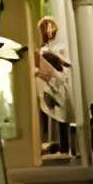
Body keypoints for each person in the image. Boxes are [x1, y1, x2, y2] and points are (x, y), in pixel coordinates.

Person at [33, 15, 77, 156]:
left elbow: (68, 63)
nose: (49, 32)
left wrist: (56, 56)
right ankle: (50, 143)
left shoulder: (60, 47)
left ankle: (66, 147)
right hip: (46, 84)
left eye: (51, 29)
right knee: (46, 114)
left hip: (59, 83)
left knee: (62, 116)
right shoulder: (40, 48)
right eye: (46, 29)